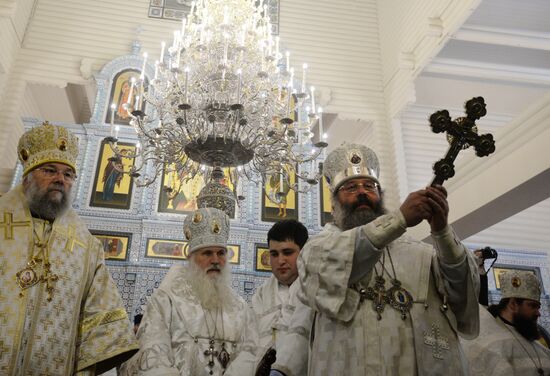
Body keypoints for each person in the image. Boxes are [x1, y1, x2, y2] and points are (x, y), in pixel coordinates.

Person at [275, 142, 480, 375]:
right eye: (350, 187)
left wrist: (442, 231)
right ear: (334, 203)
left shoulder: (421, 253)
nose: (362, 191)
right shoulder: (320, 248)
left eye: (369, 186)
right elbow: (321, 273)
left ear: (380, 196)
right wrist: (400, 219)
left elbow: (463, 299)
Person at [0, 121, 138, 374]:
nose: (59, 180)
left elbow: (101, 312)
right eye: (50, 170)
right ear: (27, 177)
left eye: (68, 174)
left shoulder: (86, 246)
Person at [120, 207, 259, 375]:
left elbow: (250, 353)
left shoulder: (239, 306)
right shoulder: (166, 299)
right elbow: (152, 352)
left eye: (221, 253)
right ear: (191, 258)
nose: (215, 260)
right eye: (207, 253)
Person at [251, 220, 312, 375]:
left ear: (304, 252)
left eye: (287, 252)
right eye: (274, 254)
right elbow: (250, 344)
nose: (280, 261)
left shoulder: (315, 289)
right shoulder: (261, 295)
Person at [463, 270, 550, 375]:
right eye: (532, 306)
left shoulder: (540, 347)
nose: (538, 313)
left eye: (538, 307)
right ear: (513, 304)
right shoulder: (488, 342)